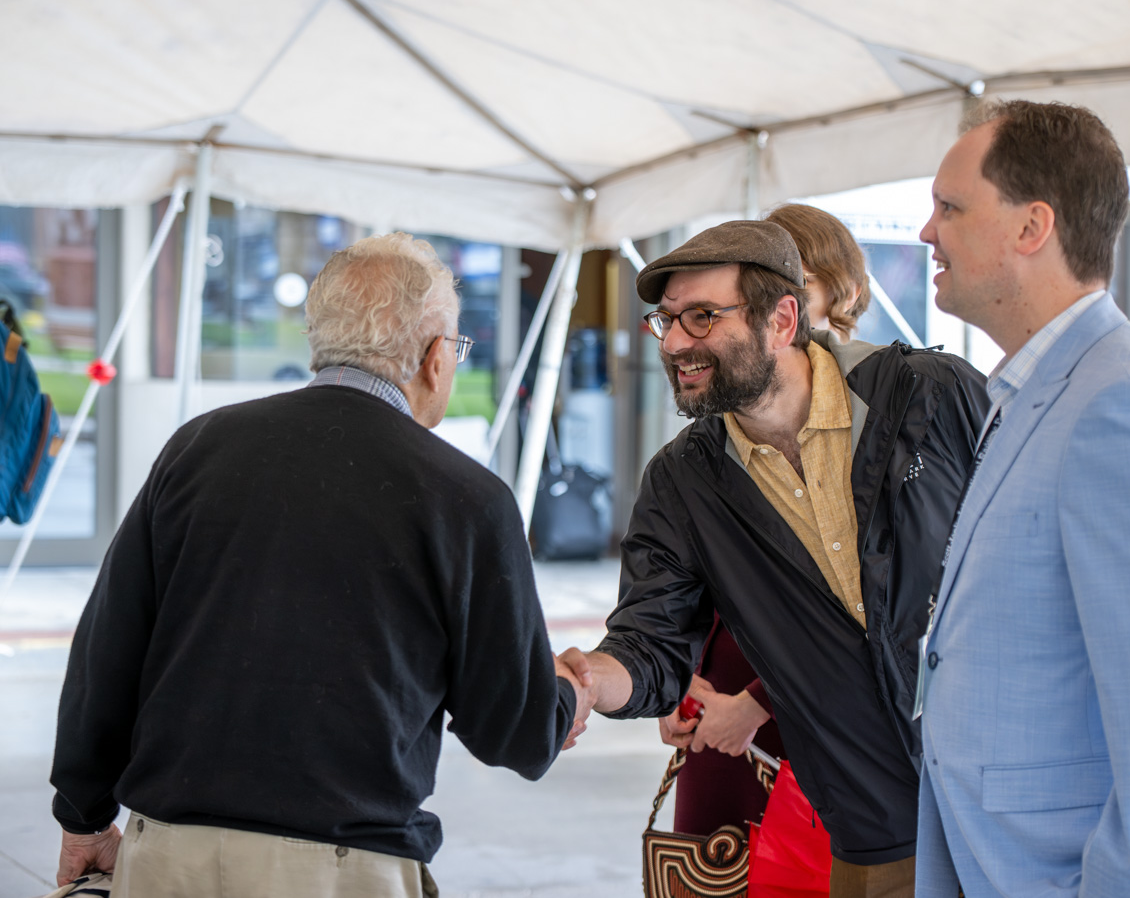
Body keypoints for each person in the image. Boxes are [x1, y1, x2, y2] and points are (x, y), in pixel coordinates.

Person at [49, 232, 586, 897]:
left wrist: (82, 816)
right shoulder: (468, 499)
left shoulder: (197, 449)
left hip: (169, 853)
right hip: (343, 866)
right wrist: (569, 692)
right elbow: (514, 730)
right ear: (435, 357)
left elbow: (107, 649)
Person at [562, 218, 989, 897]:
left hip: (1008, 802)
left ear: (782, 320)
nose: (674, 344)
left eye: (702, 317)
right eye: (666, 321)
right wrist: (587, 682)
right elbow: (649, 644)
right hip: (876, 831)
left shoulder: (931, 396)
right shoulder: (682, 481)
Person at [914, 100, 1130, 896]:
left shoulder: (1121, 404)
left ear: (1031, 227)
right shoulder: (1034, 388)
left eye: (950, 208)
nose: (928, 232)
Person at [658, 204, 871, 847]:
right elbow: (685, 582)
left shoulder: (877, 410)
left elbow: (866, 608)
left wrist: (756, 702)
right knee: (718, 864)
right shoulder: (706, 445)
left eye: (799, 285)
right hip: (723, 697)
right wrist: (673, 677)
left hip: (811, 709)